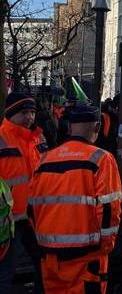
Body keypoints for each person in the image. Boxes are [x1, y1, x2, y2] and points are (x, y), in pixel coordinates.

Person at [27, 103, 122, 294]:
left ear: (69, 128)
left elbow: (32, 207)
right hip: (87, 256)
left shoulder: (45, 159)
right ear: (97, 127)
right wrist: (105, 247)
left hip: (50, 255)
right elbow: (109, 208)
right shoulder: (101, 158)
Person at [0, 92, 46, 293]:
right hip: (9, 219)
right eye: (24, 112)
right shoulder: (2, 138)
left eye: (32, 112)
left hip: (34, 214)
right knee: (5, 270)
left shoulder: (38, 138)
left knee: (44, 263)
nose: (29, 117)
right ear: (11, 113)